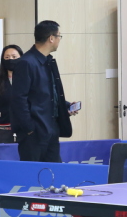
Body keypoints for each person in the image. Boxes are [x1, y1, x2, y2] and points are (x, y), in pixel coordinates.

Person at [10, 20, 78, 163]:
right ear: (51, 38)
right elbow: (18, 99)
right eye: (59, 36)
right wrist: (29, 128)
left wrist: (65, 105)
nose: (59, 40)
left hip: (51, 129)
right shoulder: (26, 63)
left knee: (54, 172)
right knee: (32, 173)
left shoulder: (48, 61)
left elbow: (47, 94)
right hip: (34, 133)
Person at [0, 44, 23, 144]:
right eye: (7, 57)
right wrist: (2, 115)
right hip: (4, 130)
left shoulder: (29, 79)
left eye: (14, 57)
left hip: (25, 130)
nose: (10, 60)